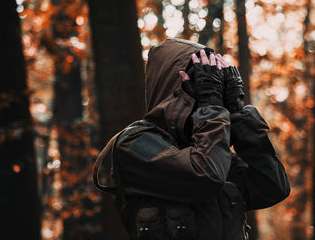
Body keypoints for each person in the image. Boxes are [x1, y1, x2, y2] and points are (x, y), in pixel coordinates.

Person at [93, 38, 290, 240]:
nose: (210, 92)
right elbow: (205, 178)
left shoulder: (209, 147)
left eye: (213, 83)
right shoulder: (134, 145)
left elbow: (272, 187)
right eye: (200, 81)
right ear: (174, 87)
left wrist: (237, 111)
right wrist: (211, 106)